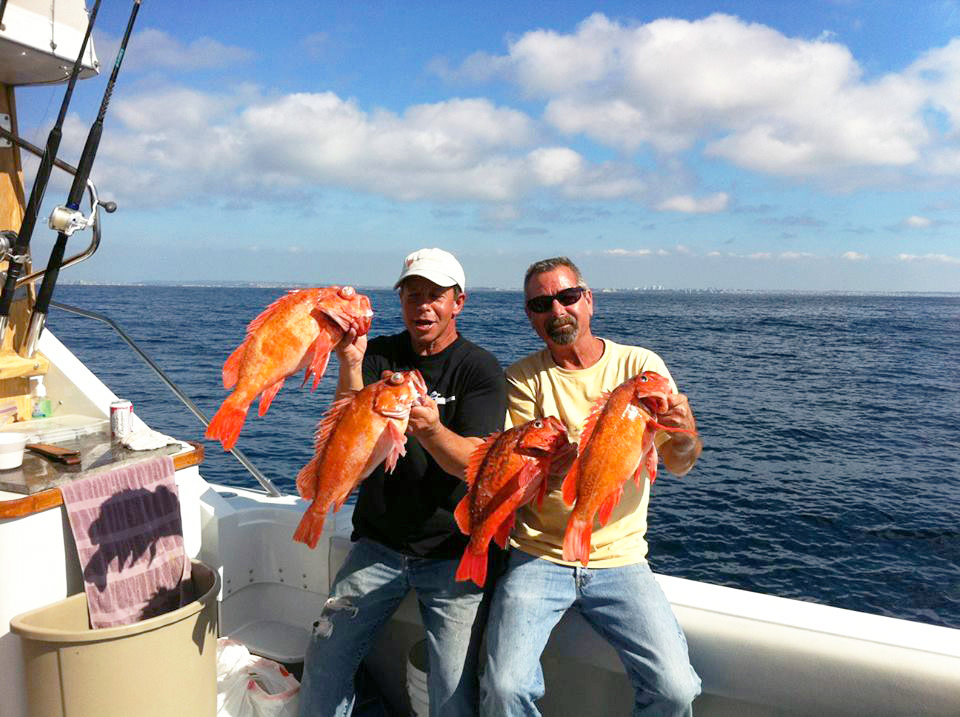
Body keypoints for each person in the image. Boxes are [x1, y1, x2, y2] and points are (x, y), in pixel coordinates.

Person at [480, 256, 703, 717]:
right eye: (541, 303)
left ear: (588, 300)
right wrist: (551, 466)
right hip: (538, 553)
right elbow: (522, 465)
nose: (556, 310)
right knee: (504, 688)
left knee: (677, 689)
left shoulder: (640, 367)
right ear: (530, 315)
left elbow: (681, 463)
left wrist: (685, 431)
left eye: (567, 297)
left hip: (620, 556)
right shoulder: (521, 377)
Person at [298, 248, 507, 717]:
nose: (423, 307)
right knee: (324, 660)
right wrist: (351, 363)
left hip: (451, 552)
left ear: (459, 302)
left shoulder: (480, 369)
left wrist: (431, 429)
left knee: (452, 690)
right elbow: (345, 431)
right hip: (377, 544)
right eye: (413, 295)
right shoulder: (379, 354)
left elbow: (475, 463)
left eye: (435, 296)